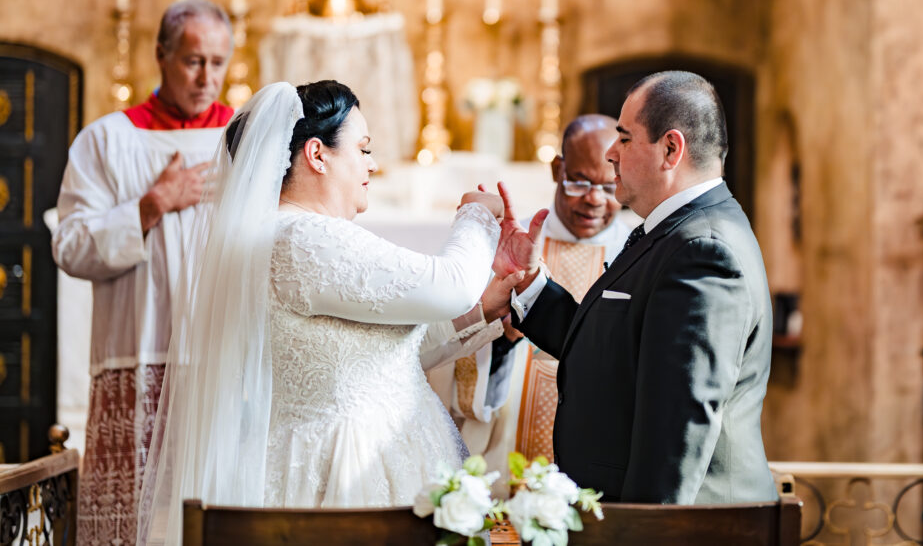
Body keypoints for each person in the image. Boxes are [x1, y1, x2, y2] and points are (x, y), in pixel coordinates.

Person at [138, 81, 509, 545]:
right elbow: (450, 284)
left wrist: (484, 308)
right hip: (346, 473)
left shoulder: (290, 235)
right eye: (363, 148)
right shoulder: (304, 239)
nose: (372, 164)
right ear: (317, 154)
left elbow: (384, 355)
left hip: (361, 456)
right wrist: (477, 215)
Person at [503, 71, 776, 504]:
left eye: (625, 139)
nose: (612, 153)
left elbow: (677, 436)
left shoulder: (704, 250)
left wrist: (639, 532)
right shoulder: (674, 232)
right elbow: (614, 347)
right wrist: (532, 282)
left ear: (670, 149)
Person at [52, 0, 234, 544]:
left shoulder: (245, 142)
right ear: (161, 55)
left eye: (218, 63)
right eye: (193, 61)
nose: (207, 79)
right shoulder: (107, 141)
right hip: (135, 363)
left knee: (215, 517)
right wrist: (151, 204)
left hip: (221, 363)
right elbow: (71, 246)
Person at [429, 115, 631, 487]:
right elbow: (448, 351)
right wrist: (502, 343)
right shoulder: (510, 241)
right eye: (580, 182)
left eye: (609, 186)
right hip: (501, 453)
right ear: (558, 169)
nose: (594, 200)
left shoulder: (632, 253)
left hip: (589, 458)